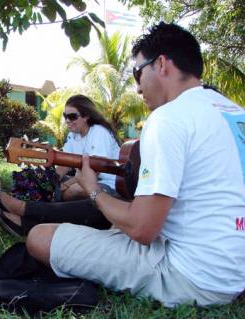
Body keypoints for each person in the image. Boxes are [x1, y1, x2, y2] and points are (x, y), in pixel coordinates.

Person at [24, 22, 245, 307]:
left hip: (194, 277)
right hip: (236, 269)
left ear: (162, 64)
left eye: (138, 72)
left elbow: (143, 230)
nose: (137, 86)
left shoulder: (168, 118)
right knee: (115, 229)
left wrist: (94, 191)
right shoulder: (236, 114)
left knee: (40, 238)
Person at [57, 94, 120, 201]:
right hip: (86, 180)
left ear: (86, 116)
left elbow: (95, 171)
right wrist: (52, 180)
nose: (67, 120)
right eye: (65, 116)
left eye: (72, 116)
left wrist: (65, 185)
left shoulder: (99, 131)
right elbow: (64, 165)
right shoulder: (72, 135)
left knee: (72, 191)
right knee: (52, 187)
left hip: (110, 184)